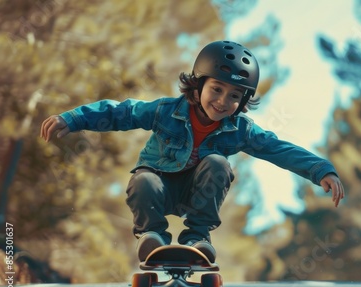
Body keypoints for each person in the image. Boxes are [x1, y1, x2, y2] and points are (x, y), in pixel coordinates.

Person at [40, 40, 345, 263]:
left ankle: (196, 237)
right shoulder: (164, 111)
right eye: (216, 89)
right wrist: (75, 118)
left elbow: (279, 149)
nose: (223, 102)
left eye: (234, 96)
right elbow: (123, 112)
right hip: (158, 189)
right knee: (144, 179)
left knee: (218, 164)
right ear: (197, 86)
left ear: (244, 100)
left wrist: (321, 170)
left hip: (198, 195)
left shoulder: (241, 129)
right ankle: (153, 237)